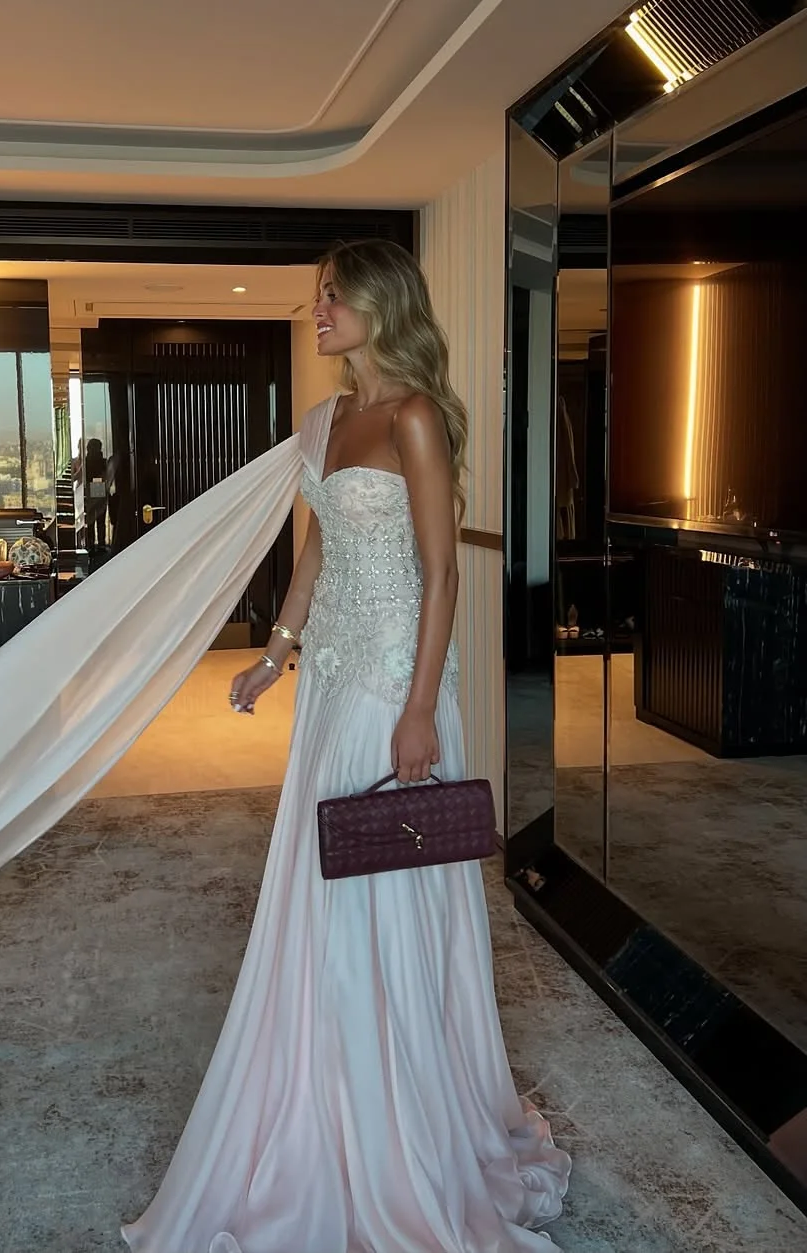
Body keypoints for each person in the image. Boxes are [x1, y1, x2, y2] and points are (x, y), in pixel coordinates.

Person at [121, 241, 570, 1252]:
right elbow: (316, 542)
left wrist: (420, 707)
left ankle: (399, 1111)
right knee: (323, 878)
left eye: (333, 295)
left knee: (386, 884)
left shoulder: (415, 415)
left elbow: (442, 573)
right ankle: (318, 1084)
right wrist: (276, 652)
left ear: (381, 303)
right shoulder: (323, 420)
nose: (318, 309)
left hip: (394, 683)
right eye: (317, 295)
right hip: (330, 681)